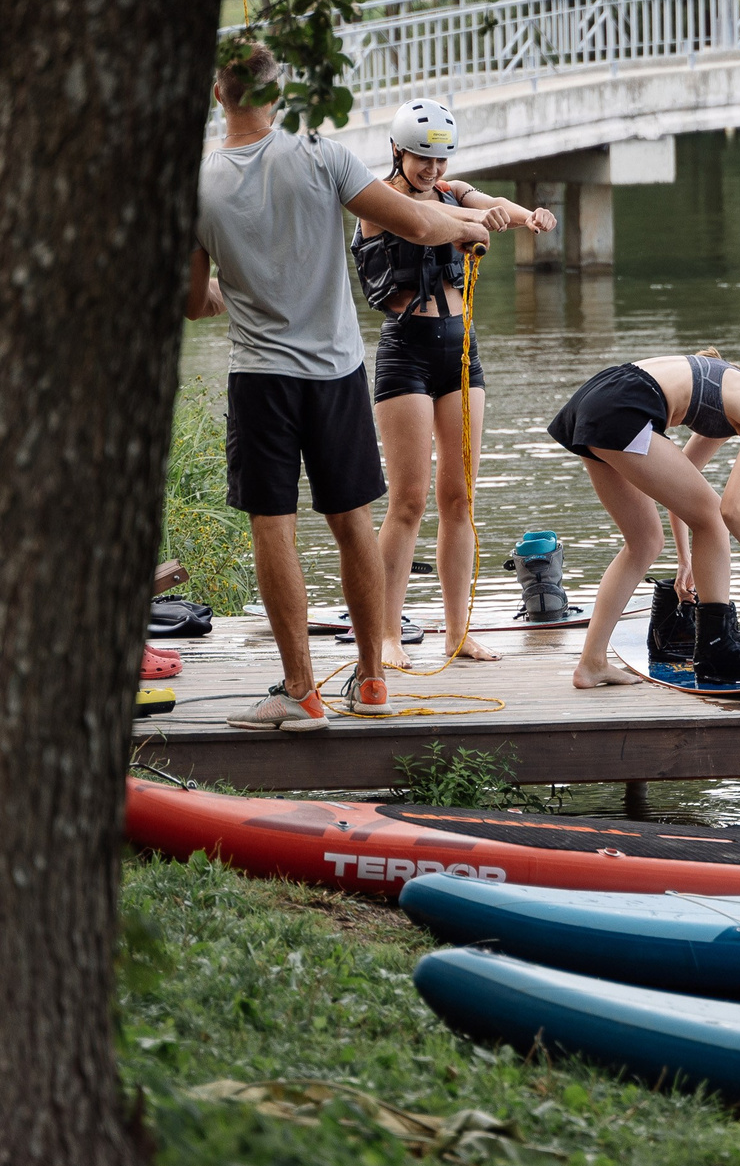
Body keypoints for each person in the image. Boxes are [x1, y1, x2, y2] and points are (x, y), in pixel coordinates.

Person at [188, 46, 517, 731]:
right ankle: (372, 682)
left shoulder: (198, 186)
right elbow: (417, 221)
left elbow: (193, 301)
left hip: (260, 378)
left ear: (218, 95)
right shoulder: (322, 154)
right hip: (336, 372)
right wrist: (473, 222)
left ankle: (301, 692)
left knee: (272, 526)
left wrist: (231, 292)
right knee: (353, 523)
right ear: (279, 94)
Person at [354, 98, 551, 668]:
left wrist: (527, 217)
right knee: (409, 501)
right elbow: (424, 227)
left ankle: (457, 633)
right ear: (397, 151)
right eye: (423, 159)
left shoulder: (453, 191)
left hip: (461, 351)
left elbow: (491, 205)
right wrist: (472, 225)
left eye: (441, 161)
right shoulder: (378, 201)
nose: (433, 171)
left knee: (460, 499)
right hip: (407, 353)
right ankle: (388, 636)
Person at [547, 349, 740, 689]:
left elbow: (682, 486)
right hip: (623, 405)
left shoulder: (739, 402)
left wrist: (685, 560)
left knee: (645, 542)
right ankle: (718, 649)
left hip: (598, 398)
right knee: (713, 517)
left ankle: (591, 663)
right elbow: (732, 508)